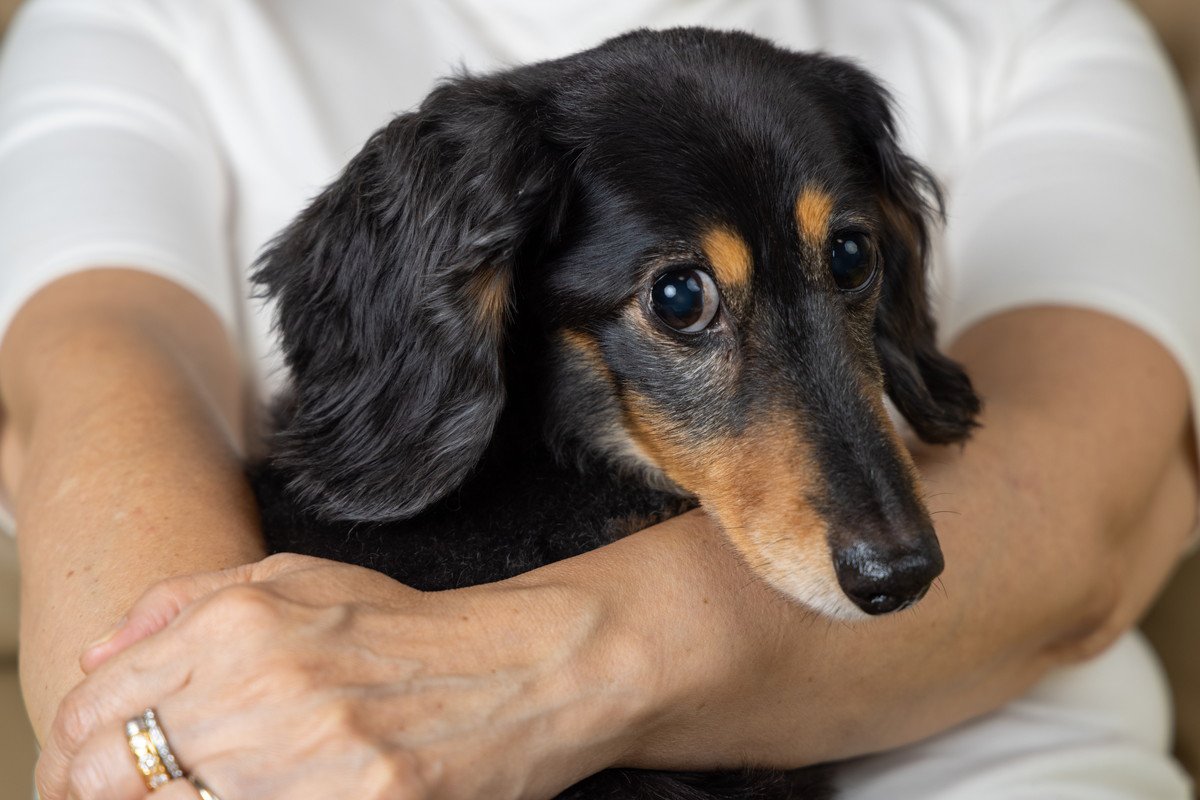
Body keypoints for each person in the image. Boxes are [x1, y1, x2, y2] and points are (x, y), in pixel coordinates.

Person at [0, 0, 1197, 798]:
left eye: (847, 265)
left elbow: (1092, 514)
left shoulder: (1034, 22)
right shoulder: (149, 17)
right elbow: (83, 400)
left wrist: (524, 677)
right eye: (682, 298)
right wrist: (214, 733)